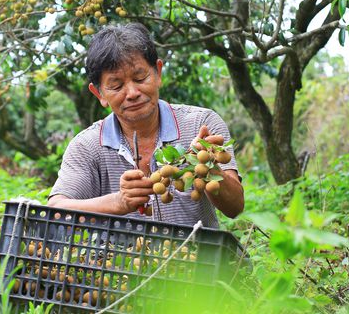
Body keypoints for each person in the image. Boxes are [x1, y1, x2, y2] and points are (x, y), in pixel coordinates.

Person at [47, 23, 244, 227]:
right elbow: (56, 210)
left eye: (140, 78)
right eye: (116, 86)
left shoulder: (201, 124)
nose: (132, 93)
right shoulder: (87, 146)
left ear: (158, 73)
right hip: (122, 259)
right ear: (100, 94)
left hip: (199, 257)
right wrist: (117, 202)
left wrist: (210, 167)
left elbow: (235, 207)